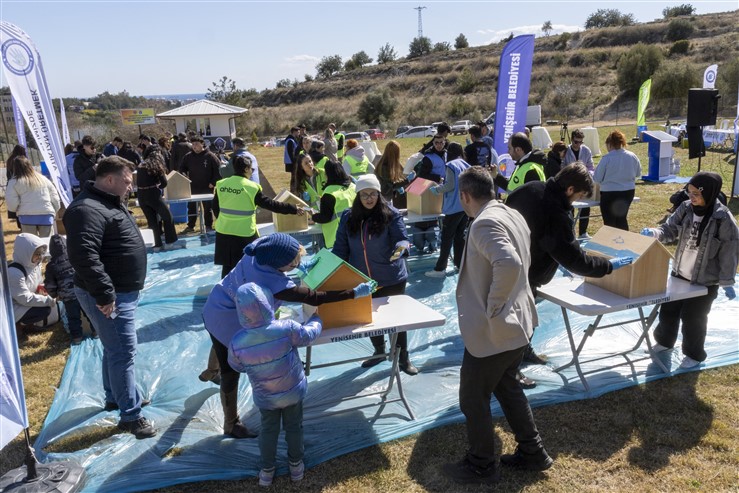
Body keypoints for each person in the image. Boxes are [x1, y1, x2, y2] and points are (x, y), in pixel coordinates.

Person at [202, 233, 376, 438]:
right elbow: (314, 297)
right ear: (278, 265)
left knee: (219, 341)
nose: (298, 262)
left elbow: (280, 251)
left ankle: (211, 371)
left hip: (215, 303)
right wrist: (354, 293)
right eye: (293, 262)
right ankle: (231, 423)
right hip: (229, 319)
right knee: (230, 370)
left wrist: (297, 267)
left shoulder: (259, 249)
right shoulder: (273, 284)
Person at [443, 166, 552, 485]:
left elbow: (510, 263)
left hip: (496, 330)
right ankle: (534, 452)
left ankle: (481, 463)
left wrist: (493, 306)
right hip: (518, 325)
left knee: (472, 397)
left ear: (464, 196)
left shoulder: (485, 223)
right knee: (507, 385)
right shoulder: (510, 213)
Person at [506, 163, 632, 376]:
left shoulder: (530, 189)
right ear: (570, 189)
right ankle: (511, 371)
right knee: (517, 322)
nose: (576, 201)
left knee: (518, 319)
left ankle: (523, 352)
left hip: (505, 263)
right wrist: (608, 266)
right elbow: (575, 261)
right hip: (525, 272)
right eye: (579, 195)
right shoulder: (555, 212)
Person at [63, 155, 156, 439]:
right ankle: (131, 416)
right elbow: (83, 256)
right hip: (109, 295)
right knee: (123, 352)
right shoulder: (87, 209)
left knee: (112, 346)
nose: (131, 188)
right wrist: (105, 294)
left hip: (117, 292)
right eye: (127, 182)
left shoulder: (107, 202)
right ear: (111, 179)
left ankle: (115, 396)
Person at [228, 283, 323, 487]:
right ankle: (296, 466)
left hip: (266, 397)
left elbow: (237, 366)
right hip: (293, 391)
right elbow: (309, 335)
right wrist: (316, 319)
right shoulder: (286, 328)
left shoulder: (237, 341)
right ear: (267, 303)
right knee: (294, 427)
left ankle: (267, 471)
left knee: (268, 430)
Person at [641, 172, 739, 369]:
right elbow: (670, 229)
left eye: (696, 194)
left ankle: (694, 355)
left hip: (705, 280)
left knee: (694, 318)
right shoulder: (685, 208)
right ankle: (664, 342)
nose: (691, 197)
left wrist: (727, 281)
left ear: (709, 194)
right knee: (668, 310)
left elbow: (729, 252)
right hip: (680, 273)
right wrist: (655, 233)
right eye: (689, 192)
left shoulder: (723, 218)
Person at [332, 174, 418, 375]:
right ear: (358, 197)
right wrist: (329, 269)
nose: (369, 199)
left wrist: (402, 248)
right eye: (364, 195)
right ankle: (379, 351)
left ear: (379, 194)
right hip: (362, 281)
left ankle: (403, 356)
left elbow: (401, 239)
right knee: (368, 318)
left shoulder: (391, 214)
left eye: (373, 194)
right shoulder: (348, 217)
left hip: (391, 278)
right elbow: (340, 249)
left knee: (397, 320)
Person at [213, 154, 304, 278]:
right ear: (246, 169)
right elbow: (271, 205)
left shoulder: (221, 184)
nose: (252, 171)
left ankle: (225, 292)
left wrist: (225, 220)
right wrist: (293, 208)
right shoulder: (251, 187)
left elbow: (215, 208)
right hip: (244, 233)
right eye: (252, 169)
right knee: (249, 263)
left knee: (227, 266)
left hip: (223, 231)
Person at [425, 143, 470, 278]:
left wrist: (438, 189)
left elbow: (450, 185)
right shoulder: (466, 164)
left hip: (452, 208)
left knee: (446, 238)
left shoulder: (451, 165)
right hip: (464, 207)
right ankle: (459, 264)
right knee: (459, 237)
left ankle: (440, 269)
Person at [44, 234, 93, 345]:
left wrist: (55, 295)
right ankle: (96, 332)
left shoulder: (51, 266)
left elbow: (50, 285)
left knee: (73, 318)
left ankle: (77, 338)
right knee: (89, 313)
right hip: (83, 292)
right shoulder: (75, 256)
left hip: (68, 297)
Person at [8, 233, 56, 343]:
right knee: (44, 309)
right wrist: (48, 300)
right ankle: (17, 326)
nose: (40, 257)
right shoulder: (14, 272)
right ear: (26, 253)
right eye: (37, 254)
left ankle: (29, 326)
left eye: (41, 253)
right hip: (12, 306)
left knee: (44, 308)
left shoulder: (35, 265)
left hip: (23, 302)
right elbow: (24, 298)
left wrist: (42, 288)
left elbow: (38, 282)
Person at [593, 130, 641, 231]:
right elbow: (637, 174)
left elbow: (597, 178)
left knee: (609, 222)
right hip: (628, 192)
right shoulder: (632, 156)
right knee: (621, 219)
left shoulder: (607, 158)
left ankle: (611, 244)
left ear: (610, 144)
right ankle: (624, 243)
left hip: (609, 193)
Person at [137, 145, 180, 252]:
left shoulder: (141, 164)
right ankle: (170, 243)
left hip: (141, 195)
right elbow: (164, 183)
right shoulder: (156, 165)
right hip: (153, 195)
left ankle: (156, 245)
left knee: (152, 221)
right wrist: (158, 187)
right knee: (168, 217)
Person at [6, 156, 61, 238]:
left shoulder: (13, 182)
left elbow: (12, 203)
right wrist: (54, 209)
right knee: (48, 243)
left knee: (31, 244)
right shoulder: (43, 179)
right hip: (46, 214)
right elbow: (54, 196)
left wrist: (16, 210)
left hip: (27, 216)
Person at [179, 135, 221, 233]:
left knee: (208, 208)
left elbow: (219, 171)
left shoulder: (210, 156)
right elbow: (182, 169)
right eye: (193, 144)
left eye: (197, 144)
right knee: (192, 207)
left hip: (207, 186)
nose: (194, 146)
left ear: (202, 144)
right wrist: (184, 176)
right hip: (193, 186)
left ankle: (208, 226)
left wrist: (213, 183)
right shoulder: (188, 156)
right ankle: (191, 226)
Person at [311, 161, 356, 248]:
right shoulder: (353, 187)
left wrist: (313, 216)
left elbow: (325, 217)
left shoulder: (329, 193)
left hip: (336, 238)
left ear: (327, 175)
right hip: (355, 235)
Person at [563, 129, 595, 239]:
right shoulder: (566, 151)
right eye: (576, 142)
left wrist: (588, 174)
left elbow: (591, 167)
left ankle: (583, 232)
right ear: (571, 140)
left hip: (583, 183)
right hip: (570, 185)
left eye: (581, 142)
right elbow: (562, 168)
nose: (578, 144)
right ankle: (570, 232)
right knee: (570, 208)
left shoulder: (586, 151)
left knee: (585, 207)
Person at [374, 140, 412, 209]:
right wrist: (407, 180)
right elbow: (391, 185)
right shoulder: (384, 167)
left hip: (389, 195)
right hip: (384, 197)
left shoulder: (394, 163)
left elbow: (401, 174)